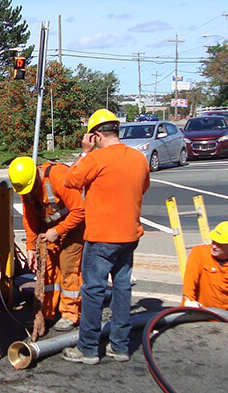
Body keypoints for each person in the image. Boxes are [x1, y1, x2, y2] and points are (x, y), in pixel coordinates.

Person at [62, 109, 150, 365]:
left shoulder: (96, 159)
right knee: (122, 289)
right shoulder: (138, 158)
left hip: (102, 237)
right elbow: (143, 186)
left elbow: (70, 180)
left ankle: (88, 348)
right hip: (129, 235)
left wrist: (85, 151)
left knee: (93, 290)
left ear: (96, 135)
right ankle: (119, 346)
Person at [8, 156, 85, 332]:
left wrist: (58, 231)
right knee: (48, 272)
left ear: (36, 174)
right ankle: (47, 311)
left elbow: (80, 210)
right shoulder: (25, 187)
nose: (29, 192)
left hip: (73, 228)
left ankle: (69, 313)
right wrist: (30, 248)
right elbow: (30, 220)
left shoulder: (58, 176)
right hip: (49, 232)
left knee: (68, 268)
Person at [181, 221, 228, 317]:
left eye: (219, 244)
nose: (214, 246)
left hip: (224, 316)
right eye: (214, 241)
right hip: (198, 313)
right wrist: (189, 300)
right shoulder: (199, 253)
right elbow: (190, 280)